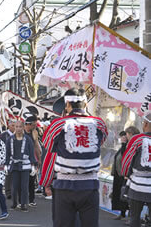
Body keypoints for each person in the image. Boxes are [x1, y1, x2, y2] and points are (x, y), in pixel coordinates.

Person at [39, 88, 108, 227]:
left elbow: (48, 145)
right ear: (86, 104)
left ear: (67, 105)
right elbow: (101, 141)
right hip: (90, 185)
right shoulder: (99, 124)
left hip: (65, 186)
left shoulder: (57, 125)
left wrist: (46, 180)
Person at [121, 113, 151, 227]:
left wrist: (125, 174)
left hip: (137, 184)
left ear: (146, 124)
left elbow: (127, 160)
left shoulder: (137, 139)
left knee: (134, 218)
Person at [5, 119, 37, 212]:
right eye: (16, 126)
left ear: (23, 127)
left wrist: (33, 165)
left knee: (24, 186)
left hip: (25, 165)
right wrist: (6, 165)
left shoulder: (28, 139)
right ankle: (15, 203)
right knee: (14, 186)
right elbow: (7, 154)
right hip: (14, 165)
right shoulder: (10, 139)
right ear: (14, 127)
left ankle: (23, 204)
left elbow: (31, 153)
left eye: (20, 127)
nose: (18, 129)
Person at [111, 131, 129, 220]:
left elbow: (124, 158)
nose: (122, 138)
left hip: (124, 175)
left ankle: (125, 214)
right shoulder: (122, 147)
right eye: (121, 136)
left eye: (124, 136)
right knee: (119, 194)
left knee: (124, 195)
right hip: (118, 174)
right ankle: (122, 214)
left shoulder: (126, 147)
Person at [24, 114, 41, 207]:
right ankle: (22, 199)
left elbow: (36, 145)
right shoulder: (21, 132)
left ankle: (31, 199)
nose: (35, 126)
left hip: (32, 160)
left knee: (32, 180)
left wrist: (39, 158)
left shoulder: (34, 132)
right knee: (23, 181)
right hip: (22, 160)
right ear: (29, 124)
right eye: (34, 124)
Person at [0, 120, 15, 199]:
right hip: (7, 157)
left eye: (15, 125)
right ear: (8, 126)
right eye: (12, 125)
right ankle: (8, 191)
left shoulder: (17, 135)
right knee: (8, 175)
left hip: (15, 157)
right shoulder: (4, 135)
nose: (14, 127)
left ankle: (14, 191)